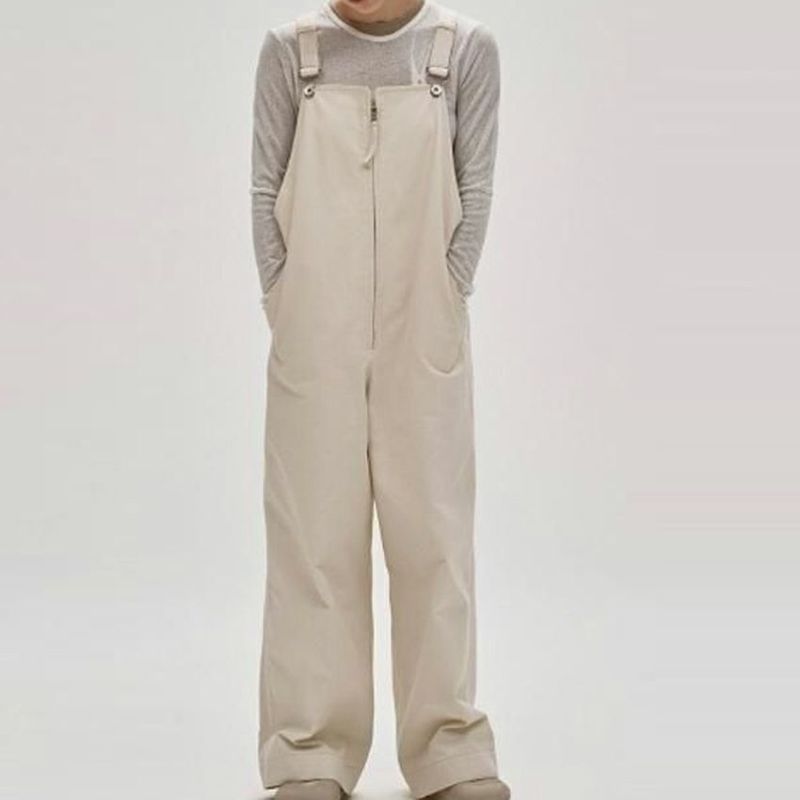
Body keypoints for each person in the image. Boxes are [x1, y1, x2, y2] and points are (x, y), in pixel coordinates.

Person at [249, 2, 508, 799]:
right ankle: (310, 753)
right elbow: (264, 190)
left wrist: (448, 289)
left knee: (434, 534)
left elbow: (475, 184)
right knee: (312, 537)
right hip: (312, 321)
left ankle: (448, 751)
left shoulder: (462, 50)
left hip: (423, 319)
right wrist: (286, 295)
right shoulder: (290, 53)